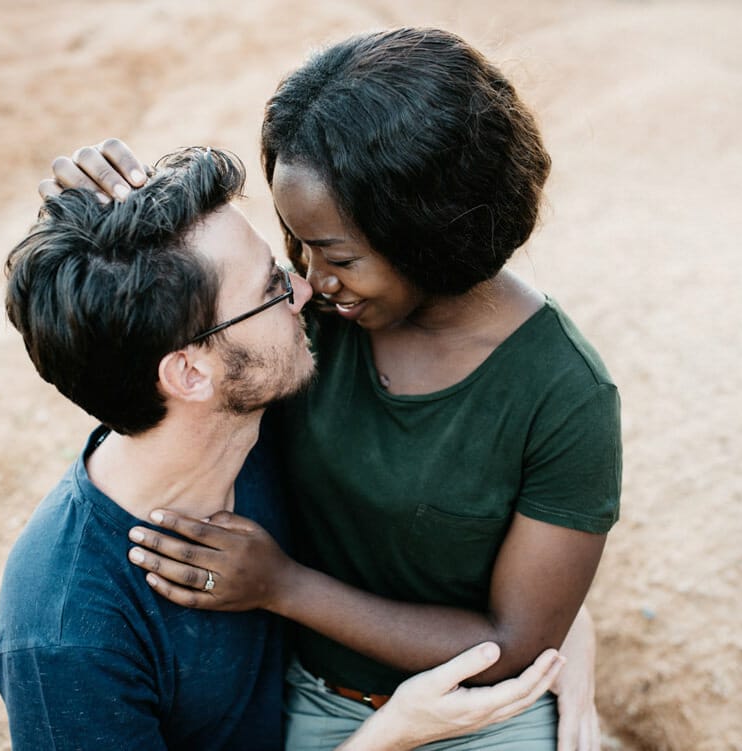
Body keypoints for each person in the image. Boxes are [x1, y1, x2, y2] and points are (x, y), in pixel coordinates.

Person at [44, 26, 619, 751]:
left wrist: (283, 587)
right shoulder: (309, 322)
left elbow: (512, 642)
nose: (307, 280)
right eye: (296, 242)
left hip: (480, 715)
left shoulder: (564, 393)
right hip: (310, 700)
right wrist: (110, 235)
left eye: (337, 255)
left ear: (432, 235)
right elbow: (181, 330)